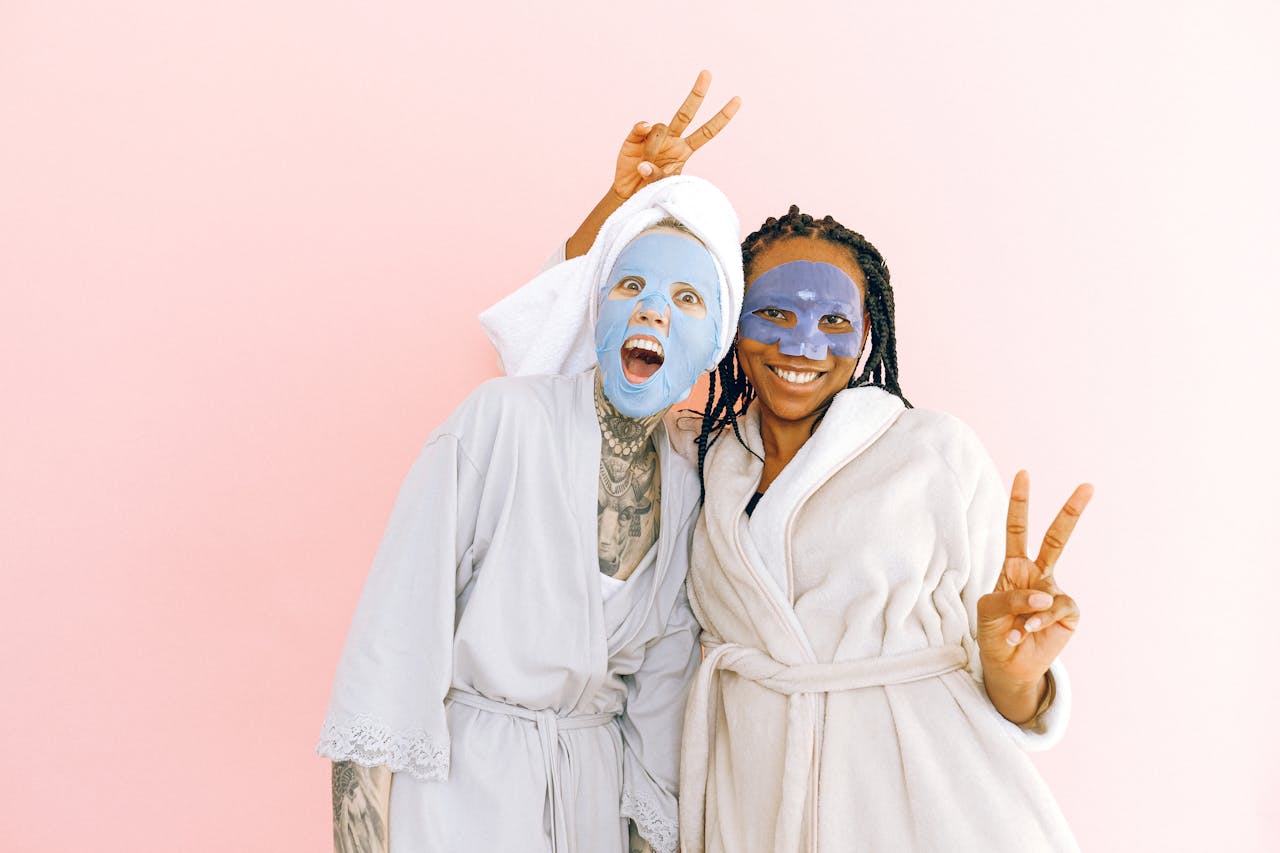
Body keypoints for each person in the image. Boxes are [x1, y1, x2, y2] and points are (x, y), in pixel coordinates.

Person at [317, 171, 745, 853]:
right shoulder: (499, 424)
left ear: (715, 340)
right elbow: (387, 662)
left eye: (686, 298)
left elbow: (658, 731)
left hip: (589, 812)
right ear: (596, 307)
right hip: (458, 802)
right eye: (631, 286)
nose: (653, 311)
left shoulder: (692, 489)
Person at [678, 206, 1092, 852]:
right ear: (733, 318)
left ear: (867, 332)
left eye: (833, 321)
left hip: (926, 804)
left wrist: (1016, 669)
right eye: (775, 313)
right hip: (753, 800)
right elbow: (571, 380)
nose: (801, 345)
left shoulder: (932, 452)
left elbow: (1008, 689)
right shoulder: (704, 461)